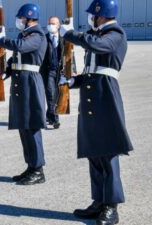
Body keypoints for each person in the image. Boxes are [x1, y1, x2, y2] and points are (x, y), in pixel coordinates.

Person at [59, 0, 133, 224]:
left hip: (106, 98)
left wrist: (71, 34)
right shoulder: (97, 35)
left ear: (102, 15)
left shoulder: (115, 34)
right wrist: (73, 81)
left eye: (93, 14)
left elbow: (98, 47)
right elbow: (93, 72)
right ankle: (99, 201)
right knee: (94, 152)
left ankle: (111, 206)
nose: (91, 18)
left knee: (108, 153)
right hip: (92, 100)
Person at [0, 3, 47, 185]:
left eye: (21, 18)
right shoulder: (24, 34)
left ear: (30, 17)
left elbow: (21, 47)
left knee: (31, 127)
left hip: (31, 83)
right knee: (23, 127)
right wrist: (7, 69)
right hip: (21, 83)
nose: (19, 21)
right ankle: (31, 166)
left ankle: (38, 169)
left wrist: (2, 40)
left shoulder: (37, 35)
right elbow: (16, 56)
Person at [40, 16, 63, 129]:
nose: (51, 25)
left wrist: (72, 70)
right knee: (50, 94)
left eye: (53, 23)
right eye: (49, 23)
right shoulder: (43, 39)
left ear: (58, 25)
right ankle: (55, 120)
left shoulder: (64, 39)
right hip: (48, 71)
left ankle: (48, 116)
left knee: (57, 95)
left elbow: (69, 55)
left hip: (60, 72)